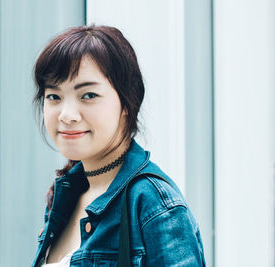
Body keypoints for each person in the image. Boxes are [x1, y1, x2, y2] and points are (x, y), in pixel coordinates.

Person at [31, 25, 206, 267]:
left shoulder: (152, 203)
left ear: (127, 102)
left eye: (88, 95)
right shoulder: (66, 194)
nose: (66, 115)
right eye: (54, 96)